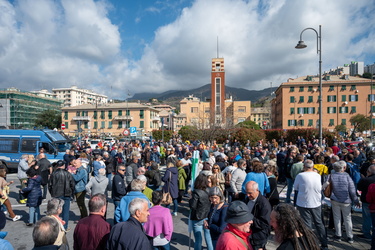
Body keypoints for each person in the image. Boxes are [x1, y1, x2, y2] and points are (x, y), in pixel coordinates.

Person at [293, 160, 328, 249]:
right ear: (312, 167)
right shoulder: (317, 175)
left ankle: (310, 243)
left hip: (303, 202)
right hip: (316, 202)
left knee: (307, 224)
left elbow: (296, 188)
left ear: (304, 166)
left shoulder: (300, 175)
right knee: (319, 223)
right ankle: (324, 243)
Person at [329, 160, 359, 243]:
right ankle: (350, 236)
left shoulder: (331, 176)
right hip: (346, 200)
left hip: (335, 199)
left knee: (337, 217)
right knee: (347, 218)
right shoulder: (347, 176)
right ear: (343, 168)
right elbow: (352, 190)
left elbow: (325, 187)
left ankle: (338, 235)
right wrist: (356, 200)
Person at [48, 160, 75, 230]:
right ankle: (65, 226)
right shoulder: (67, 174)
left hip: (56, 194)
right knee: (66, 211)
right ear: (63, 166)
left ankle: (56, 226)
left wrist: (52, 193)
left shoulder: (54, 174)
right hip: (66, 194)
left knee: (56, 211)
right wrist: (72, 193)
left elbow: (50, 185)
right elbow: (72, 184)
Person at [245, 181, 271, 250]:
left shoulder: (264, 204)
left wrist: (249, 218)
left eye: (250, 193)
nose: (248, 195)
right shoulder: (247, 199)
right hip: (248, 235)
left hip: (257, 238)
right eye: (246, 193)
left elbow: (264, 223)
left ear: (257, 190)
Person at [189, 174, 213, 250]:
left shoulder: (196, 192)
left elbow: (193, 206)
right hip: (207, 216)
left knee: (198, 240)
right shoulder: (209, 190)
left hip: (197, 217)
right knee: (208, 237)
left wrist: (190, 199)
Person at [358, 164, 375, 239]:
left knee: (367, 218)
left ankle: (367, 233)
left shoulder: (366, 180)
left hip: (367, 201)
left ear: (369, 172)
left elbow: (359, 188)